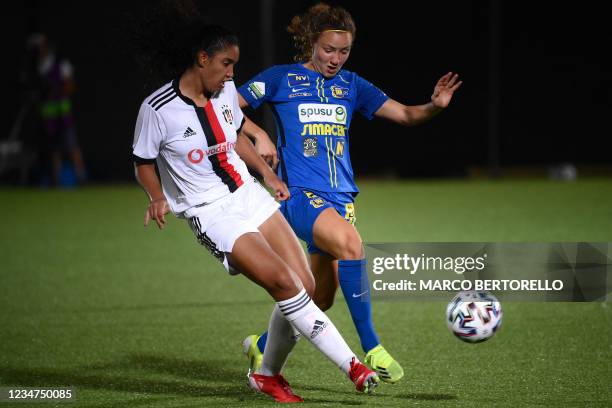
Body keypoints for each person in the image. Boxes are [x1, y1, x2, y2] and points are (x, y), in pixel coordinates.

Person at [131, 9, 379, 403]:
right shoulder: (157, 109)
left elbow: (234, 138)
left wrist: (268, 174)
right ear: (202, 59)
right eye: (227, 63)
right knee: (284, 283)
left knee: (307, 286)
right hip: (210, 213)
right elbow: (143, 160)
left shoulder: (225, 93)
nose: (232, 74)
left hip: (247, 194)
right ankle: (353, 365)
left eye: (235, 65)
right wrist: (157, 196)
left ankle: (267, 375)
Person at [238, 2, 462, 384]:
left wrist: (435, 107)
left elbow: (407, 115)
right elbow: (224, 108)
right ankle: (372, 347)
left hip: (341, 199)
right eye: (328, 50)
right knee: (353, 246)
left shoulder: (352, 85)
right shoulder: (280, 78)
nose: (335, 59)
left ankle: (262, 343)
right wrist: (258, 134)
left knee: (319, 297)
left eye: (344, 51)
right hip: (300, 196)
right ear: (311, 43)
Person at [25, 33, 86, 186]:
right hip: (48, 116)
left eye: (40, 47)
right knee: (54, 149)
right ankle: (57, 181)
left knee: (72, 146)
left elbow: (70, 85)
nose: (38, 50)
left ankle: (81, 179)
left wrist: (56, 91)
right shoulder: (36, 67)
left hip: (63, 114)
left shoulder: (60, 63)